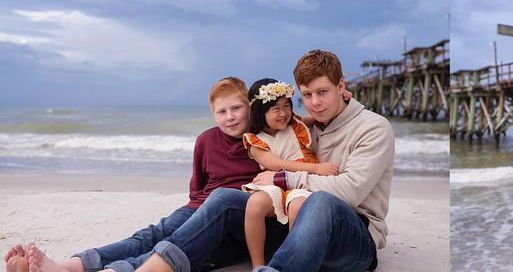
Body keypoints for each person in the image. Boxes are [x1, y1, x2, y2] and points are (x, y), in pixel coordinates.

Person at [130, 50, 393, 272]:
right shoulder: (308, 124)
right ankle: (156, 264)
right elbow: (280, 121)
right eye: (307, 95)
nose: (315, 103)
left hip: (352, 240)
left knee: (318, 201)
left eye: (322, 92)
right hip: (298, 231)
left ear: (341, 87)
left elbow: (350, 192)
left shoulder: (374, 128)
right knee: (224, 197)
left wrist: (282, 177)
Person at [5, 78, 258, 272]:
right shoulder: (206, 140)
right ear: (213, 114)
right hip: (200, 206)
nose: (230, 117)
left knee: (182, 246)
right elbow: (197, 187)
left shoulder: (266, 140)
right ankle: (68, 266)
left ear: (250, 107)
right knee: (153, 234)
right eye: (221, 112)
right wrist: (195, 211)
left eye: (236, 108)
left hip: (238, 218)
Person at [240, 79, 339, 269]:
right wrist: (317, 168)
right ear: (260, 112)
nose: (284, 113)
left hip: (300, 182)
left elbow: (321, 117)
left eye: (287, 106)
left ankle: (294, 262)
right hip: (276, 182)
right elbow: (276, 164)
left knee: (298, 205)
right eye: (275, 108)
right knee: (254, 204)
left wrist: (345, 100)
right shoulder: (255, 142)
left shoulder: (295, 123)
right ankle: (257, 265)